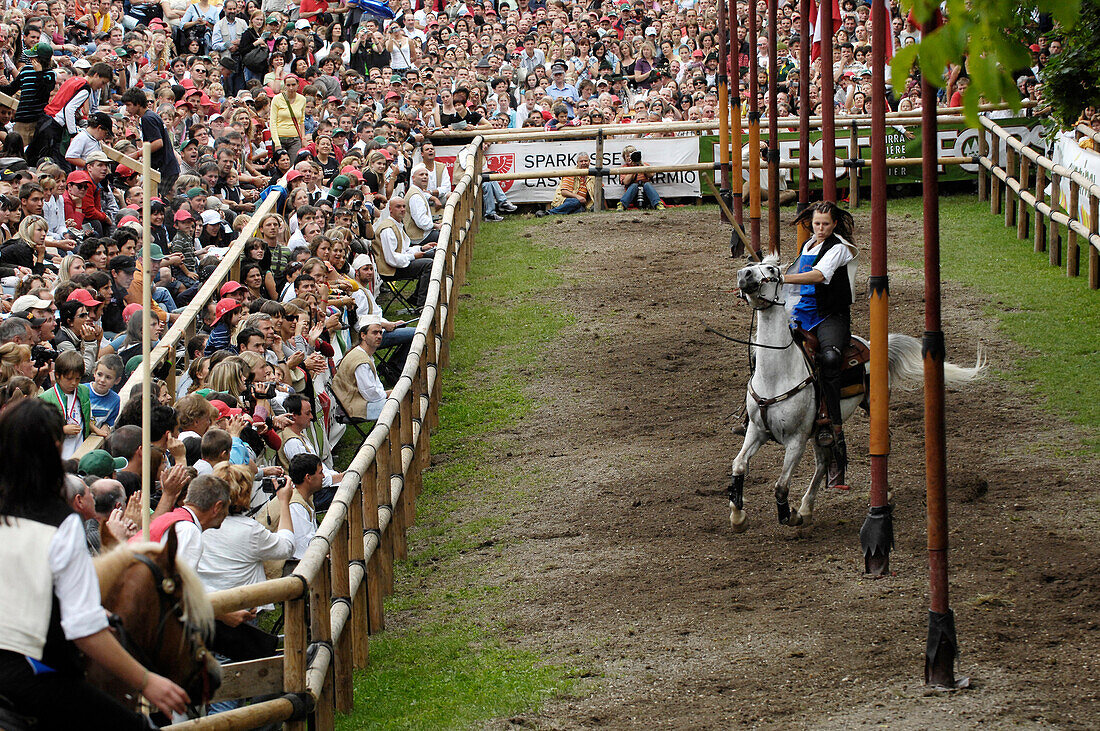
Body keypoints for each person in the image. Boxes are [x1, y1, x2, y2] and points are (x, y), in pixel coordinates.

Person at [0, 399, 189, 727]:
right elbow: (83, 628)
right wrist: (147, 681)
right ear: (55, 448)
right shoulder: (61, 525)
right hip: (28, 671)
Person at [782, 201, 858, 489]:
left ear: (835, 224)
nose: (821, 228)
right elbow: (794, 287)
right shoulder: (807, 246)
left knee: (828, 358)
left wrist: (782, 277)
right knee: (766, 348)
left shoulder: (838, 248)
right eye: (817, 223)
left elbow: (819, 276)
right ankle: (751, 410)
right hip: (801, 311)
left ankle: (830, 424)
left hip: (830, 317)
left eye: (826, 224)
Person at [139, 473, 231, 570]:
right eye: (227, 506)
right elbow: (179, 579)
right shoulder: (188, 530)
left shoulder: (174, 518)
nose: (227, 512)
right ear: (218, 507)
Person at [39, 350, 109, 459]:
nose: (74, 383)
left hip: (80, 448)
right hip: (58, 454)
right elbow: (40, 429)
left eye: (78, 379)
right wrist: (62, 429)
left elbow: (84, 417)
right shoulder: (45, 398)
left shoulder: (84, 391)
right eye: (69, 379)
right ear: (57, 375)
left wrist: (94, 429)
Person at [257, 452, 323, 567]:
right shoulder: (295, 505)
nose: (323, 476)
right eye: (320, 472)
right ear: (308, 477)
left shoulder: (299, 495)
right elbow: (304, 551)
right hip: (281, 570)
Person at [372, 196, 435, 308]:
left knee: (433, 253)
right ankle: (421, 304)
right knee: (428, 264)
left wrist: (421, 248)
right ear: (390, 209)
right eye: (398, 207)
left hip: (398, 263)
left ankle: (416, 298)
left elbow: (403, 249)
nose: (402, 209)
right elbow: (391, 259)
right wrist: (413, 257)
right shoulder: (388, 229)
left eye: (404, 206)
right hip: (390, 270)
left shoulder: (397, 225)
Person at [120, 88, 180, 197]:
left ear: (137, 103)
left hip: (165, 169)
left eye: (129, 105)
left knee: (154, 200)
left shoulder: (147, 118)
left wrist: (137, 154)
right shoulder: (150, 115)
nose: (127, 109)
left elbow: (158, 143)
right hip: (167, 168)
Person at [332, 315, 388, 422]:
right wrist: (387, 394)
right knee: (397, 405)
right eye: (374, 333)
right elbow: (370, 394)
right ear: (363, 335)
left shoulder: (363, 354)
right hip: (354, 408)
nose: (379, 336)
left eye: (380, 333)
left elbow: (374, 387)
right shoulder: (360, 360)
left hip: (358, 402)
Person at [617, 145, 665, 211]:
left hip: (646, 194)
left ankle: (658, 204)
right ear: (624, 158)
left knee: (647, 184)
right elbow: (626, 182)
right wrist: (634, 169)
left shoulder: (644, 165)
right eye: (627, 156)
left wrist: (640, 164)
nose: (629, 158)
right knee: (634, 185)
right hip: (632, 195)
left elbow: (651, 175)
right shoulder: (624, 168)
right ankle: (622, 204)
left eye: (631, 155)